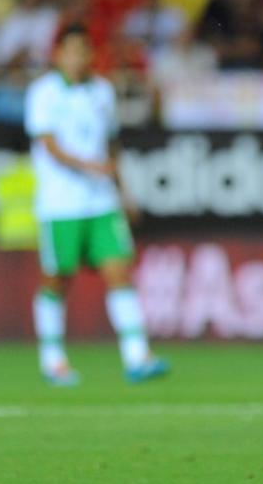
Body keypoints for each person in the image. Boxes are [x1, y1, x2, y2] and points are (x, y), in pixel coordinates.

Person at [25, 23, 169, 386]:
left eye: (84, 50)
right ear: (58, 54)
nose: (79, 58)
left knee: (119, 271)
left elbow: (110, 146)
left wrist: (123, 192)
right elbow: (49, 146)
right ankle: (52, 359)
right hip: (60, 203)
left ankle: (137, 355)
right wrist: (90, 166)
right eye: (72, 51)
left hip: (101, 201)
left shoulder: (102, 91)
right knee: (57, 279)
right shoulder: (44, 92)